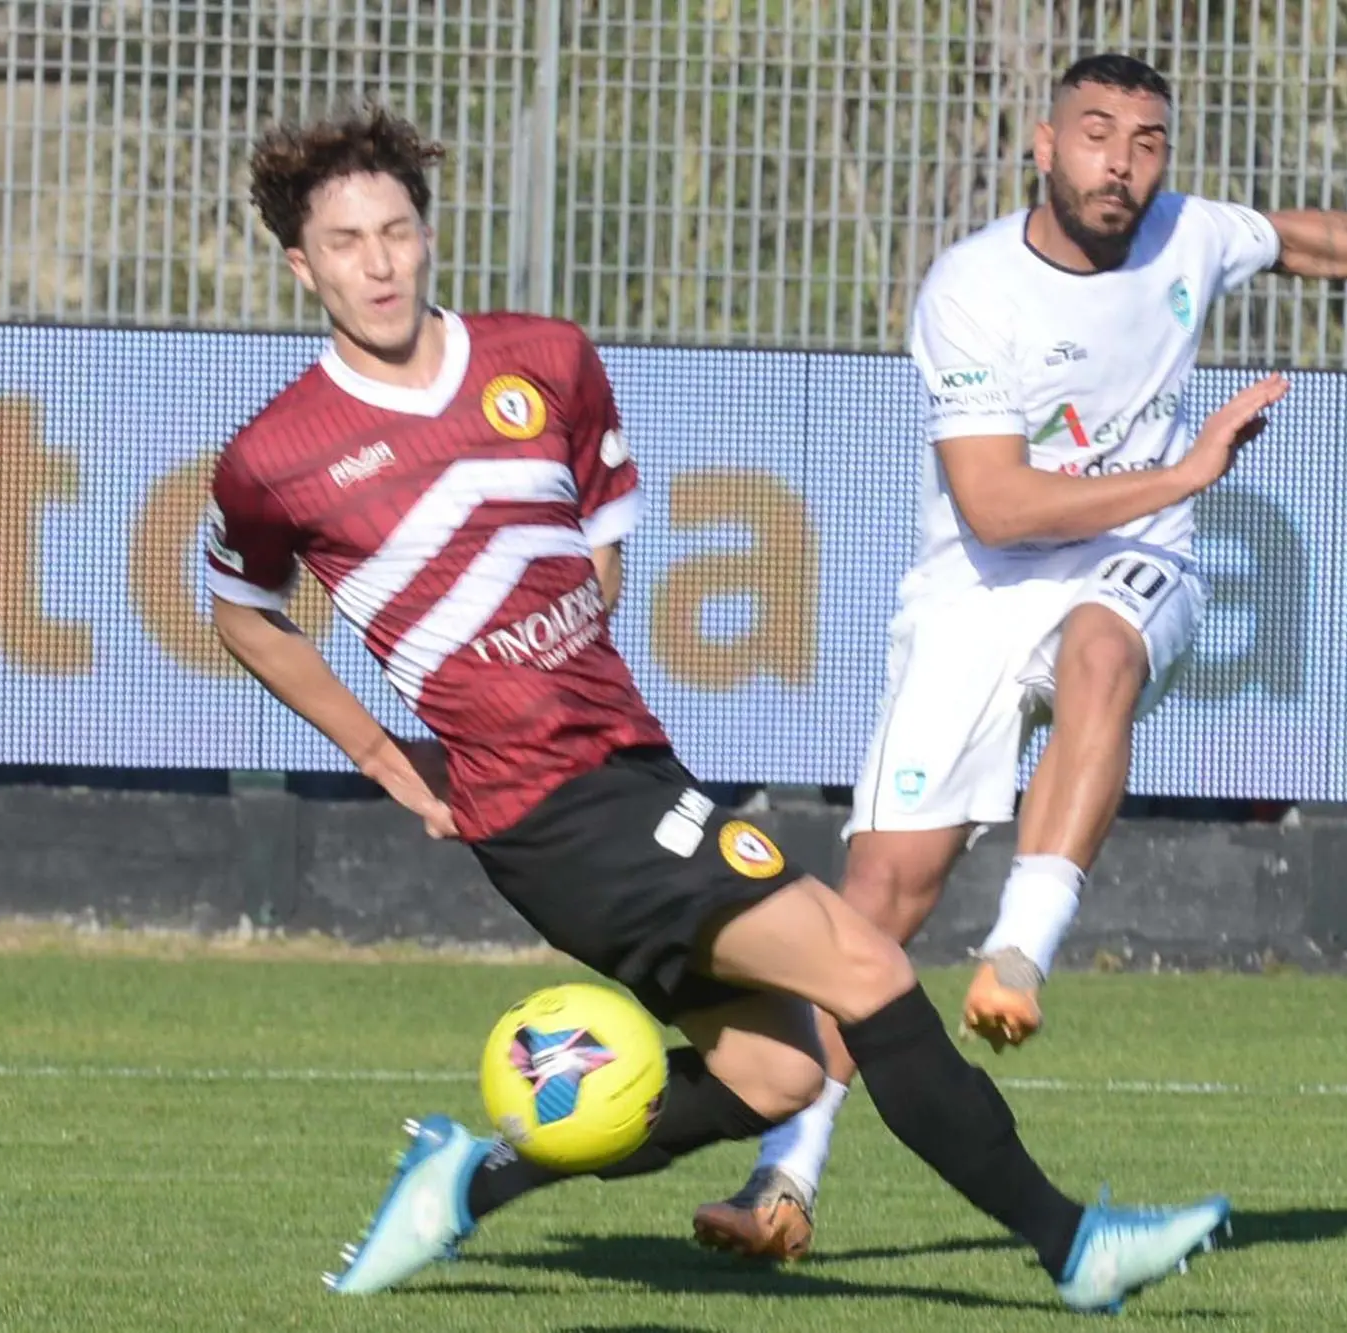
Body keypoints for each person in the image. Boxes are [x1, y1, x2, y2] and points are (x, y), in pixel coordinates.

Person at [203, 103, 1282, 1313]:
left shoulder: (543, 358)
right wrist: (384, 753)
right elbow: (243, 610)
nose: (380, 262)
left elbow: (595, 546)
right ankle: (1074, 1246)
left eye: (397, 230)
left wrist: (566, 665)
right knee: (861, 964)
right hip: (547, 810)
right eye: (346, 243)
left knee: (771, 1071)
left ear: (428, 231)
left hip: (630, 767)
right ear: (302, 264)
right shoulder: (274, 455)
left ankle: (465, 1186)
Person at [692, 51, 1347, 1260]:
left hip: (1133, 561)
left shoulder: (1186, 234)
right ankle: (784, 1179)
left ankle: (1019, 952)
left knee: (1103, 652)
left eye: (1147, 140)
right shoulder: (971, 289)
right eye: (1096, 134)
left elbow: (1304, 237)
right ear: (1042, 148)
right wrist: (1188, 472)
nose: (1123, 162)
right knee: (879, 900)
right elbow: (995, 509)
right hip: (981, 585)